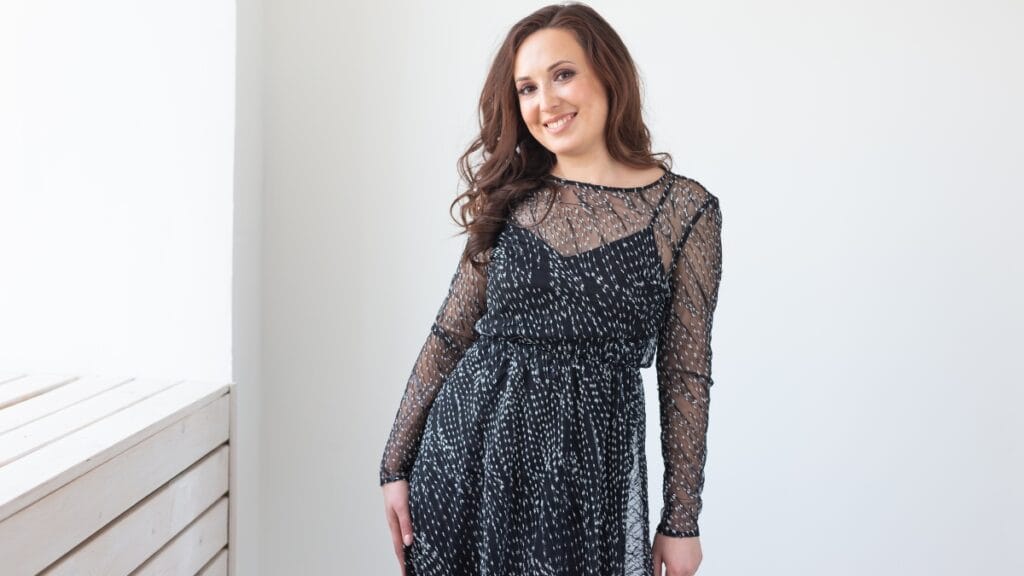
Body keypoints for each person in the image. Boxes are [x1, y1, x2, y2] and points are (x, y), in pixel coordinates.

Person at [379, 3, 723, 575]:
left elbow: (685, 371)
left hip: (590, 479)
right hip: (470, 457)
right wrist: (394, 465)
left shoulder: (684, 212)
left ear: (608, 74)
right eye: (527, 88)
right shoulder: (510, 198)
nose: (546, 102)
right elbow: (450, 334)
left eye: (563, 74)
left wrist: (681, 521)